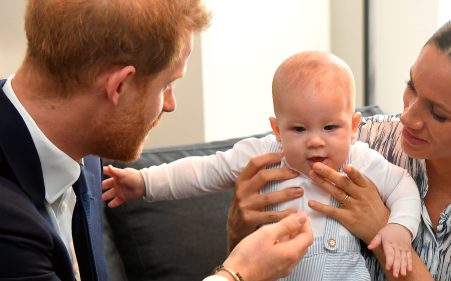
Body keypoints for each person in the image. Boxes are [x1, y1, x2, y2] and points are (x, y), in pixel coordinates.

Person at [226, 6, 451, 281]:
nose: (408, 118)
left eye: (439, 114)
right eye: (411, 86)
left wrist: (384, 233)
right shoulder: (353, 142)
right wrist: (239, 228)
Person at [0, 0, 312, 281]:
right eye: (168, 84)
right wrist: (238, 275)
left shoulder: (85, 148)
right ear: (119, 86)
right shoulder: (9, 224)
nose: (170, 103)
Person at [101, 50, 422, 279]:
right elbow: (202, 171)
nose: (315, 141)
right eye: (299, 129)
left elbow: (403, 186)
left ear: (353, 127)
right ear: (276, 129)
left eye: (330, 128)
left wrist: (397, 228)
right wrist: (143, 182)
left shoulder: (360, 159)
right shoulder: (262, 155)